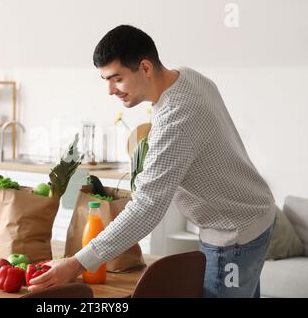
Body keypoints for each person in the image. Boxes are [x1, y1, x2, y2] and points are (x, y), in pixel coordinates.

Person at [28, 24, 276, 298]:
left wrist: (76, 264)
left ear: (145, 67)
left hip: (233, 234)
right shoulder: (188, 77)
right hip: (254, 213)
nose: (110, 90)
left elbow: (147, 207)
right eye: (105, 80)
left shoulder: (176, 118)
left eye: (117, 78)